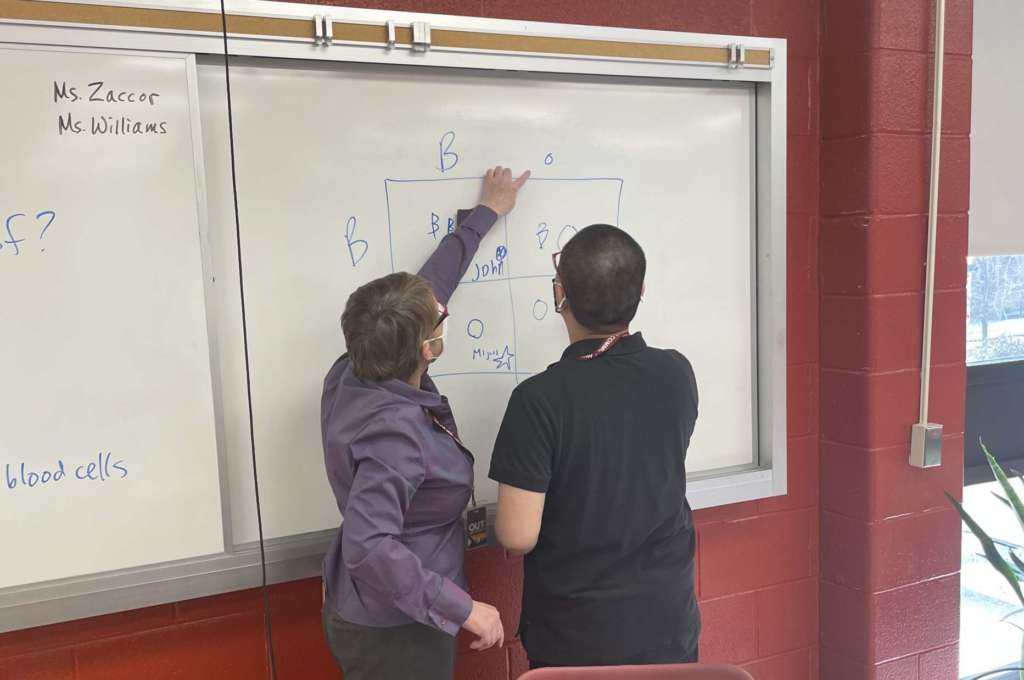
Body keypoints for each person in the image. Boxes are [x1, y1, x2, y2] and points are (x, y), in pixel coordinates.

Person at [320, 166, 530, 680]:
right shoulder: (394, 434)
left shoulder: (355, 367)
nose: (442, 307)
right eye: (438, 318)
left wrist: (485, 215)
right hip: (397, 627)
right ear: (428, 348)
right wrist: (464, 608)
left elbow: (426, 292)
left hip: (392, 611)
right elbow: (370, 546)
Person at [488, 224, 701, 669]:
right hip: (667, 621)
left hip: (578, 636)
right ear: (641, 291)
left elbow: (517, 535)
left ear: (559, 294)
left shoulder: (538, 400)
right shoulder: (677, 373)